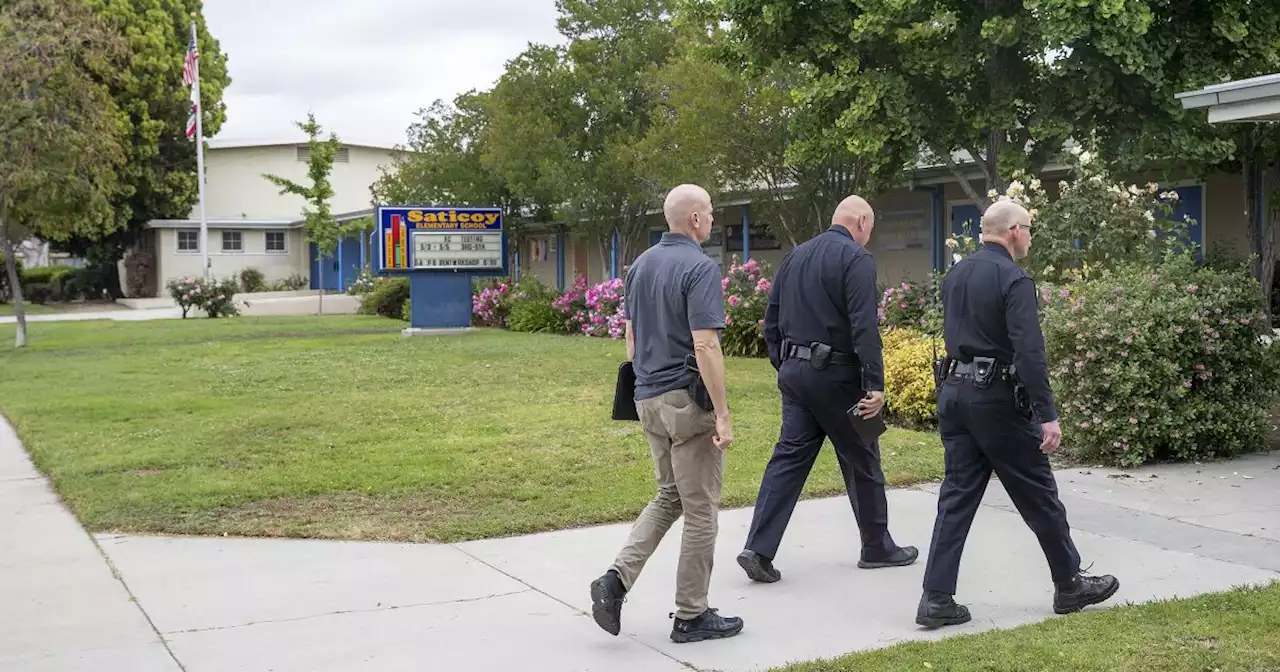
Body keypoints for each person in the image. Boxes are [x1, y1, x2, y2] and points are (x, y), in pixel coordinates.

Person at [916, 199, 1119, 629]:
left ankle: (935, 598)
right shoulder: (1014, 279)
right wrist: (1047, 414)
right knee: (1039, 492)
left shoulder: (956, 275)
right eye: (1028, 228)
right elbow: (1029, 351)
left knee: (955, 496)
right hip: (996, 401)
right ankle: (1069, 585)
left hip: (954, 394)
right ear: (1013, 232)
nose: (1029, 235)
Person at [589, 184, 743, 644]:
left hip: (647, 398)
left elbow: (632, 338)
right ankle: (692, 615)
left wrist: (648, 386)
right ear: (695, 218)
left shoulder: (640, 266)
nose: (713, 220)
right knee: (701, 510)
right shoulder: (699, 267)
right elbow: (706, 344)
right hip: (684, 401)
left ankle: (614, 581)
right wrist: (722, 413)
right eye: (711, 213)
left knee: (669, 496)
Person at [736, 195, 918, 585]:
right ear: (862, 221)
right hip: (838, 376)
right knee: (864, 457)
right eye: (871, 227)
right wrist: (875, 384)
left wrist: (784, 364)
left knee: (788, 460)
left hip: (796, 374)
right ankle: (876, 546)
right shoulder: (855, 259)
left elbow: (770, 319)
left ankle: (758, 549)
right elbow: (864, 326)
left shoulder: (795, 256)